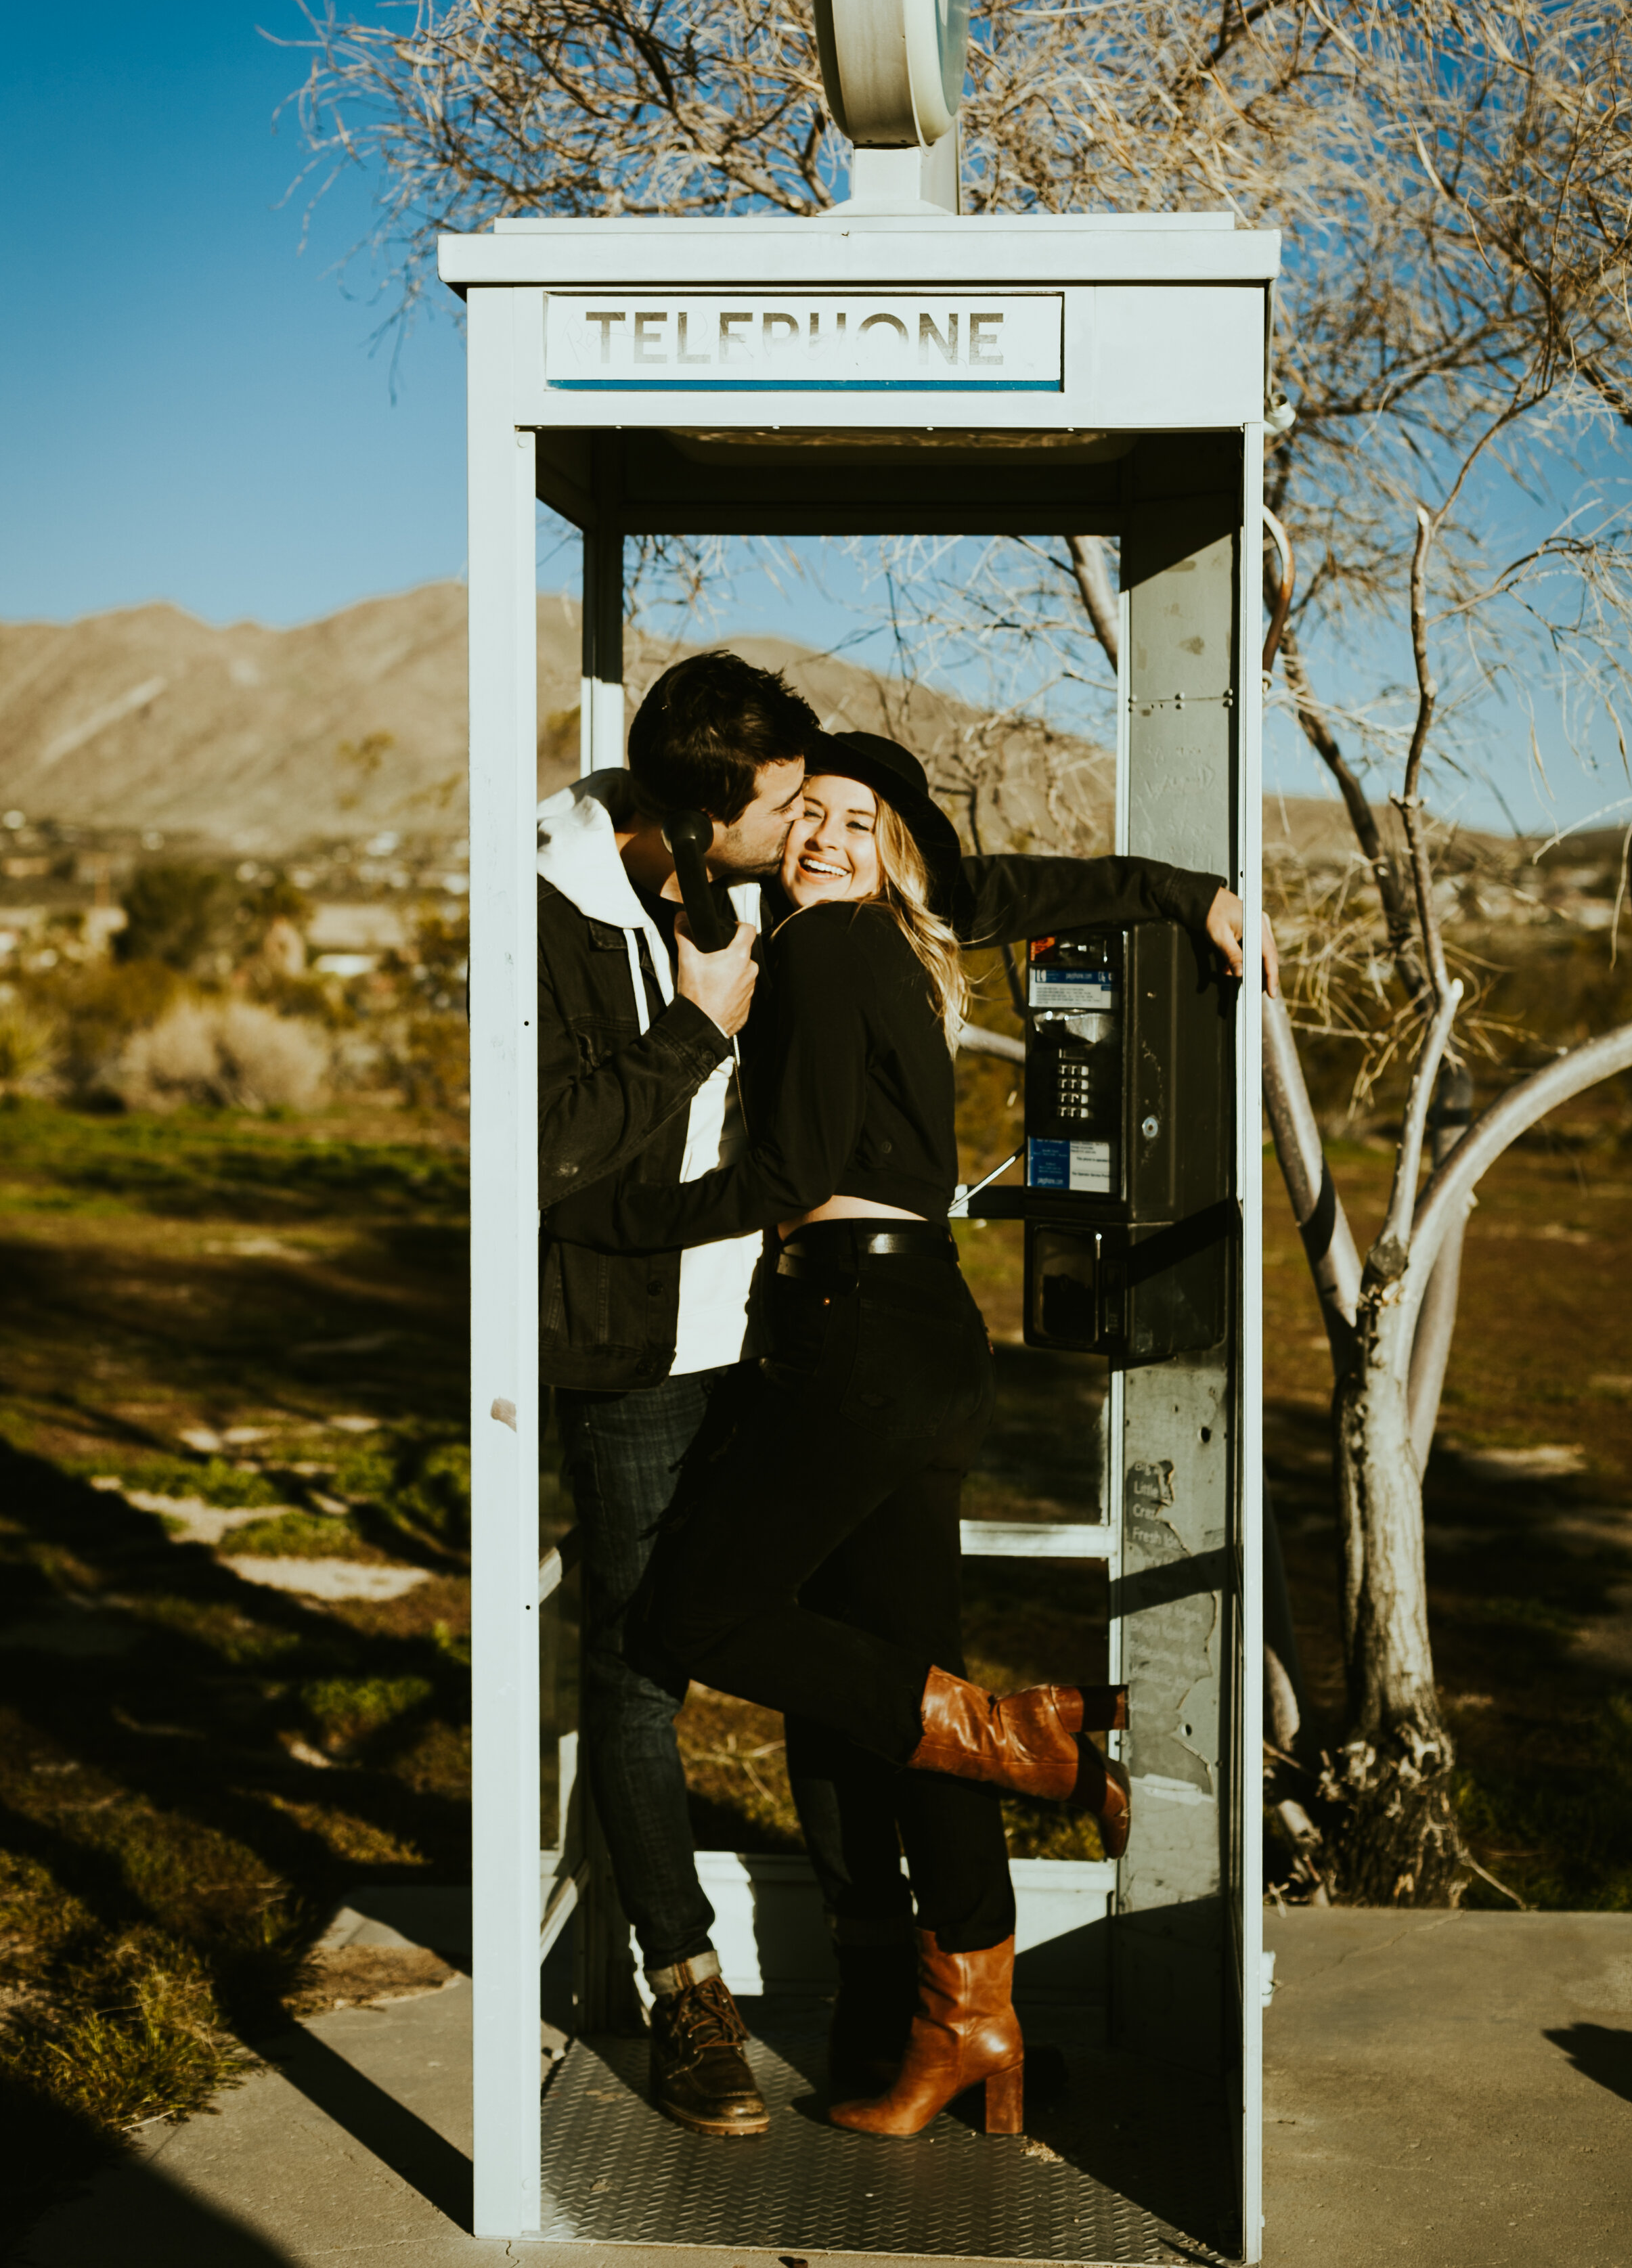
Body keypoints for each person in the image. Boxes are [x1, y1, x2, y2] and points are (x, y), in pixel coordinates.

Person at [554, 732, 1271, 2139]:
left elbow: (789, 1171)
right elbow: (1008, 884)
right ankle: (973, 2027)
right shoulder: (898, 932)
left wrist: (602, 1213)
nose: (819, 835)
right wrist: (1175, 892)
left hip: (852, 1341)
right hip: (920, 1337)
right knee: (909, 1692)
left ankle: (1028, 1738)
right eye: (804, 812)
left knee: (692, 1617)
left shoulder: (819, 952)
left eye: (849, 816)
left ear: (889, 840)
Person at [537, 648, 817, 2137]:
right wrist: (696, 1024)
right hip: (636, 1350)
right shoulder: (549, 898)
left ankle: (900, 1955)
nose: (799, 829)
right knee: (642, 1669)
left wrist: (1174, 895)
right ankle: (683, 1982)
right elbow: (550, 1151)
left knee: (823, 1625)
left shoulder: (730, 880)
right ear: (701, 817)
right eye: (778, 808)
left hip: (769, 1327)